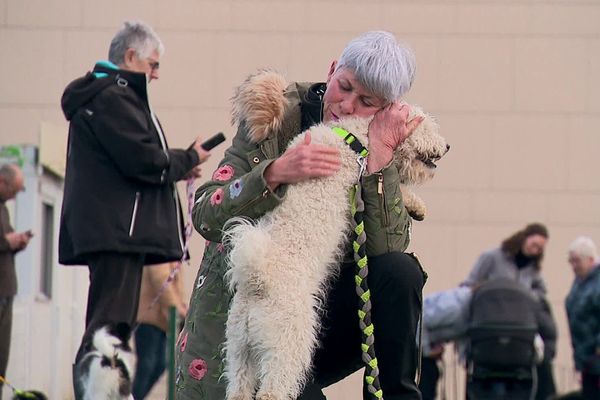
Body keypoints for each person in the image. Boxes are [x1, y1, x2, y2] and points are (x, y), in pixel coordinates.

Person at [175, 31, 427, 400]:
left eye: (367, 102)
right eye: (344, 87)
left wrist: (379, 161)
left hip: (319, 312)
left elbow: (389, 248)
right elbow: (206, 213)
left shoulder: (382, 143)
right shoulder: (274, 118)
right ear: (331, 71)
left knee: (401, 271)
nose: (346, 105)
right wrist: (275, 174)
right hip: (252, 312)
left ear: (386, 110)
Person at [59, 20, 210, 397]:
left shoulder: (105, 96)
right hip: (116, 232)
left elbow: (140, 156)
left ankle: (104, 391)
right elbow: (144, 159)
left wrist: (179, 161)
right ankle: (101, 393)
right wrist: (188, 157)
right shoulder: (113, 96)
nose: (156, 74)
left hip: (114, 229)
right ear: (131, 57)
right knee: (110, 326)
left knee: (112, 324)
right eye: (153, 65)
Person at [462, 222, 557, 399]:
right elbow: (468, 286)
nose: (536, 250)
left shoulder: (533, 271)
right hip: (490, 331)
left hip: (519, 338)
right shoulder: (492, 257)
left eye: (540, 248)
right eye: (534, 244)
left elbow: (541, 297)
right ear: (524, 238)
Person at [132, 262, 188, 399]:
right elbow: (161, 279)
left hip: (161, 320)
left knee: (160, 364)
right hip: (149, 318)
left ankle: (134, 397)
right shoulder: (162, 246)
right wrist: (178, 309)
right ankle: (133, 397)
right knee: (147, 366)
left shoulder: (171, 249)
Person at [0, 164, 31, 400]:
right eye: (15, 189)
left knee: (2, 358)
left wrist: (17, 243)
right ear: (2, 182)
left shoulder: (4, 209)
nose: (15, 195)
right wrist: (6, 242)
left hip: (6, 289)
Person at [565, 236, 600, 400]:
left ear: (591, 259)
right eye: (571, 261)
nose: (573, 266)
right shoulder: (579, 282)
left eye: (577, 261)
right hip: (586, 360)